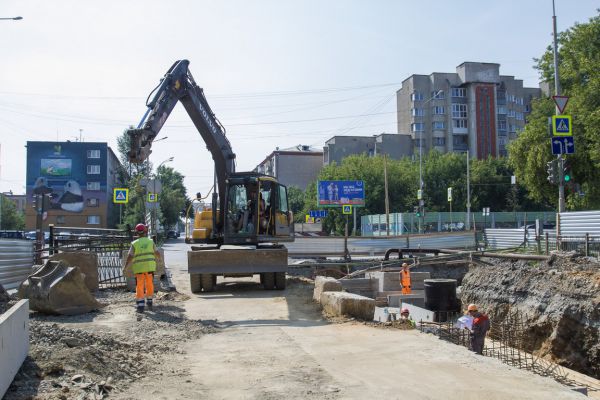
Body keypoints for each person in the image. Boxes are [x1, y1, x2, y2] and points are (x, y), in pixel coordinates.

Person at [124, 223, 161, 314]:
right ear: (145, 231)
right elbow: (157, 253)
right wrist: (160, 261)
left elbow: (130, 256)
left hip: (139, 269)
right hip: (149, 268)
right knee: (149, 284)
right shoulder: (150, 242)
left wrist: (125, 266)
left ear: (136, 233)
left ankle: (140, 305)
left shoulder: (134, 243)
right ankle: (149, 301)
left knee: (139, 285)